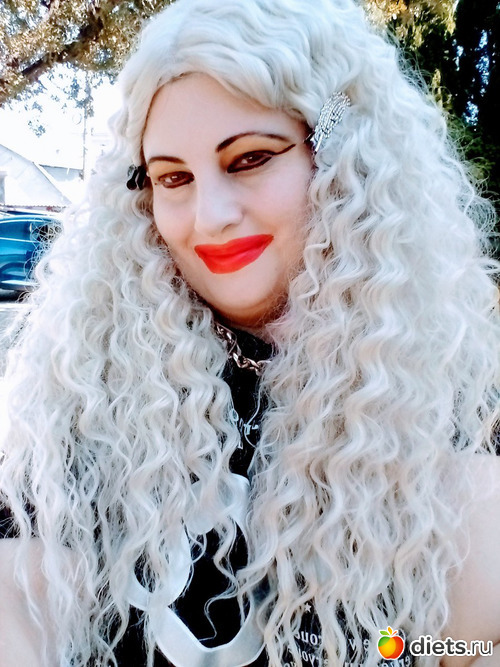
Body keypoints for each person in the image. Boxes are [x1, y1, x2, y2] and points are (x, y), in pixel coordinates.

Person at [0, 0, 499, 665]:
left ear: (341, 156)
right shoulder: (84, 402)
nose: (209, 216)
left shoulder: (454, 404)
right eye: (173, 177)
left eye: (250, 159)